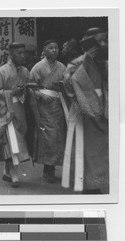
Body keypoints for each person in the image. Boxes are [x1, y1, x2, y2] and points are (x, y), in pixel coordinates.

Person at [62, 27, 109, 194]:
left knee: (101, 149)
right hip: (84, 108)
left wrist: (103, 66)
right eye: (99, 42)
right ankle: (87, 184)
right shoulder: (77, 63)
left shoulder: (105, 62)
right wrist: (87, 61)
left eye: (105, 41)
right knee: (85, 149)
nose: (103, 45)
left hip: (103, 106)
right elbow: (68, 84)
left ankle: (98, 182)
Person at [0, 42, 30, 187]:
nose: (23, 56)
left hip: (19, 108)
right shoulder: (1, 71)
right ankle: (14, 174)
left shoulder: (25, 71)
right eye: (19, 53)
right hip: (5, 110)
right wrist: (11, 93)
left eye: (24, 53)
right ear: (11, 54)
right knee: (13, 141)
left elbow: (27, 89)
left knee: (13, 142)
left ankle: (7, 170)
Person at [29, 39, 67, 183]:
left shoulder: (62, 67)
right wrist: (40, 94)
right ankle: (47, 169)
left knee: (57, 136)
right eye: (51, 48)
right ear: (44, 51)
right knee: (47, 137)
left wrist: (62, 86)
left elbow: (67, 84)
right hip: (44, 106)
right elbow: (31, 87)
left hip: (58, 105)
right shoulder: (37, 67)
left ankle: (53, 168)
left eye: (56, 48)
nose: (55, 50)